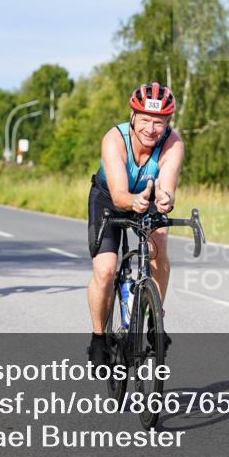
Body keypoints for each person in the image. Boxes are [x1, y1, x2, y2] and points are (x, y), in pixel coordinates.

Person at [85, 83, 184, 368]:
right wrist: (132, 201)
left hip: (148, 198)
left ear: (167, 122)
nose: (151, 129)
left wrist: (165, 200)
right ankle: (98, 338)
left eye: (159, 122)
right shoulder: (114, 139)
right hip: (108, 198)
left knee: (160, 244)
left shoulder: (173, 143)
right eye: (145, 120)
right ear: (132, 116)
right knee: (104, 271)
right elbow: (118, 195)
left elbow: (167, 186)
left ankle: (154, 321)